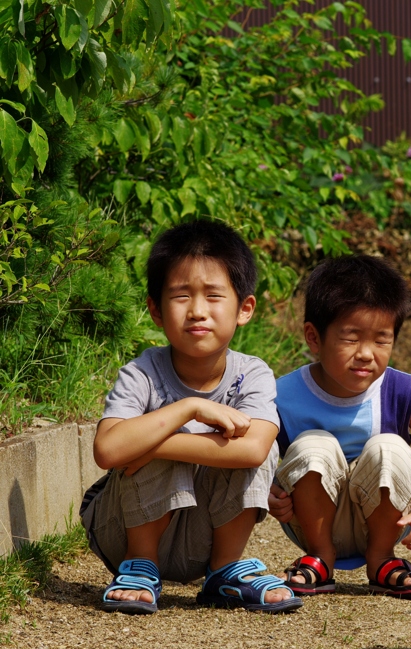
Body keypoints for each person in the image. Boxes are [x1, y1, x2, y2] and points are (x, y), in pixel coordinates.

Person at [80, 220, 301, 614]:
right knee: (152, 430)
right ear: (155, 310)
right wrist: (188, 408)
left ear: (244, 309)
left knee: (255, 440)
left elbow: (253, 452)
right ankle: (140, 566)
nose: (198, 311)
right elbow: (108, 450)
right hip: (123, 531)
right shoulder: (142, 373)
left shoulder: (253, 374)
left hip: (204, 535)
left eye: (214, 296)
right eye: (181, 296)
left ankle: (225, 571)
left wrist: (154, 444)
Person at [268, 255, 411, 599]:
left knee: (390, 447)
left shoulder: (401, 390)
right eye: (351, 337)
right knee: (314, 445)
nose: (367, 353)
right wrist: (268, 490)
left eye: (381, 340)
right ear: (314, 337)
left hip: (384, 522)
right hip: (310, 522)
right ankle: (320, 558)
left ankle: (382, 559)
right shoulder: (283, 395)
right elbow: (256, 451)